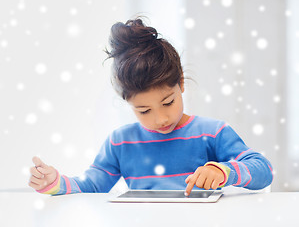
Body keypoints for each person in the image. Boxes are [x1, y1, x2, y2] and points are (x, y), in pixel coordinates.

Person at [28, 18, 273, 196]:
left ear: (181, 84)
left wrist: (224, 171)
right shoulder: (120, 142)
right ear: (128, 103)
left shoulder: (212, 133)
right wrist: (56, 183)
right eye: (144, 110)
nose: (161, 118)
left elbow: (264, 170)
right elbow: (92, 185)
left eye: (168, 102)